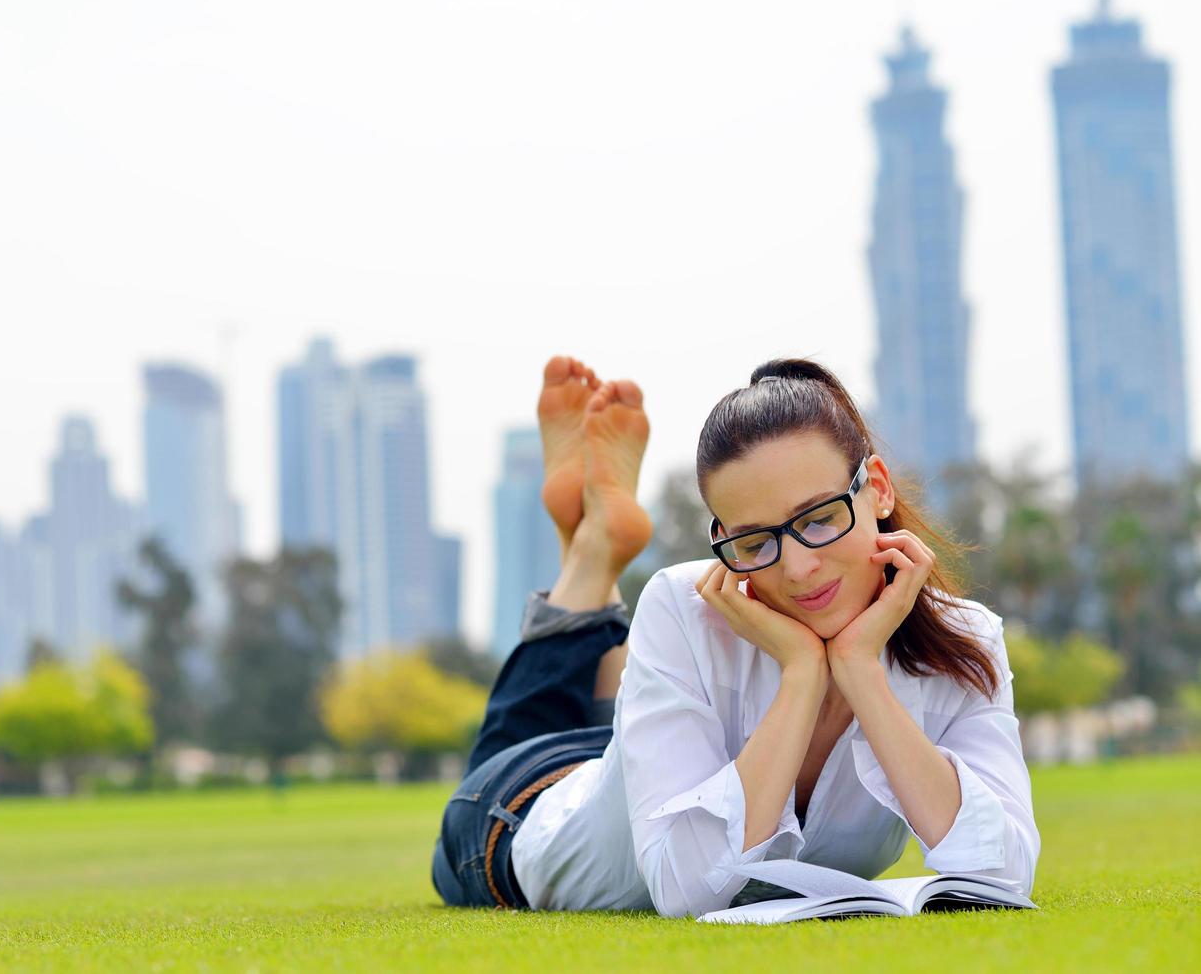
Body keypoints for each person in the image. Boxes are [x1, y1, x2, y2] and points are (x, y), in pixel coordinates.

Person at [431, 355, 1040, 918]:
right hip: (518, 811)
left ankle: (586, 549)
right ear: (722, 538)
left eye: (820, 518)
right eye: (755, 542)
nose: (798, 569)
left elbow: (1003, 872)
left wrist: (860, 670)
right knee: (515, 752)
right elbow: (685, 891)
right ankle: (589, 556)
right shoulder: (684, 606)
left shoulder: (966, 642)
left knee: (621, 741)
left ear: (877, 488)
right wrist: (802, 673)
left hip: (627, 762)